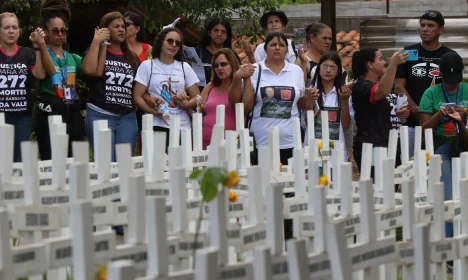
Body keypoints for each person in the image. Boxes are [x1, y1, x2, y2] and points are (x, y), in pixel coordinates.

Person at [229, 32, 305, 241]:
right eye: (273, 44)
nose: (278, 48)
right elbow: (244, 105)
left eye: (282, 44)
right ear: (265, 49)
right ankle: (266, 237)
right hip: (262, 142)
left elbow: (301, 103)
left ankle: (289, 238)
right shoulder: (256, 70)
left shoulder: (296, 71)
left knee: (289, 193)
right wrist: (239, 80)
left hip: (290, 141)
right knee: (265, 192)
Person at [419, 51, 468, 238]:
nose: (451, 84)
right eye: (448, 79)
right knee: (448, 194)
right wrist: (439, 114)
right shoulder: (431, 93)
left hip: (464, 142)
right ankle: (447, 244)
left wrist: (461, 120)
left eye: (455, 79)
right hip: (441, 143)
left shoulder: (467, 90)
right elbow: (423, 129)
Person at [82, 11, 140, 162]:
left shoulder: (131, 57)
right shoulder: (98, 50)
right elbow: (89, 70)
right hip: (100, 114)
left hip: (127, 117)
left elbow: (137, 86)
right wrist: (96, 42)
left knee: (124, 165)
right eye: (116, 27)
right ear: (106, 30)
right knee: (106, 166)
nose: (121, 29)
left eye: (123, 26)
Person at [395, 10, 454, 158]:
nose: (425, 29)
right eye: (422, 25)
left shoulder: (449, 56)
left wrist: (433, 114)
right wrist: (417, 109)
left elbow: (454, 88)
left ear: (441, 30)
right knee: (408, 168)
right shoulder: (409, 53)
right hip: (411, 124)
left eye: (430, 25)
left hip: (440, 124)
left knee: (439, 167)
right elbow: (398, 86)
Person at [133, 27, 200, 150]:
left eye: (177, 43)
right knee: (157, 166)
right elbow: (137, 96)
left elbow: (197, 97)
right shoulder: (148, 66)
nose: (174, 45)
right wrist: (153, 112)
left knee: (182, 167)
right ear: (160, 41)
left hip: (182, 125)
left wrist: (186, 102)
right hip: (156, 123)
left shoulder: (184, 67)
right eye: (170, 41)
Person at [36, 0, 86, 161]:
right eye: (55, 31)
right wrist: (41, 44)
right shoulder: (40, 54)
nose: (60, 35)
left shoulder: (73, 58)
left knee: (75, 158)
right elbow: (46, 72)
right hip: (51, 109)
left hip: (71, 107)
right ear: (46, 32)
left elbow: (90, 70)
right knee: (51, 158)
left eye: (63, 31)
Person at [0, 12, 51, 162]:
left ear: (19, 31)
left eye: (14, 27)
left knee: (20, 160)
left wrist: (37, 47)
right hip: (0, 116)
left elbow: (40, 74)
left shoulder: (27, 53)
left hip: (22, 115)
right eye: (6, 27)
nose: (11, 31)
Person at [351, 48, 409, 177]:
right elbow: (382, 92)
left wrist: (402, 113)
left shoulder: (378, 84)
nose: (384, 62)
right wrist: (393, 64)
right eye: (381, 59)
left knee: (389, 188)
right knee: (375, 187)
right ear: (370, 64)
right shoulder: (361, 86)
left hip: (386, 143)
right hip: (370, 147)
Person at [303, 53, 353, 161]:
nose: (328, 70)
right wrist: (309, 101)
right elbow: (308, 123)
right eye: (325, 66)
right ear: (318, 68)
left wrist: (344, 101)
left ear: (338, 71)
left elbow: (345, 124)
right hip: (313, 149)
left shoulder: (343, 94)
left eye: (333, 67)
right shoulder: (311, 91)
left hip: (336, 151)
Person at [123, 11, 153, 155]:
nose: (123, 27)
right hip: (124, 97)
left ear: (137, 29)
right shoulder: (119, 49)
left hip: (145, 97)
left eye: (127, 24)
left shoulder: (148, 49)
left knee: (145, 137)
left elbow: (153, 74)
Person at [200, 48, 240, 149]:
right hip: (205, 142)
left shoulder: (241, 86)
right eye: (216, 65)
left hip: (230, 144)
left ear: (232, 64)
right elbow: (199, 107)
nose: (219, 68)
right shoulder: (210, 86)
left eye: (223, 64)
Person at [196, 18, 237, 88]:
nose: (219, 34)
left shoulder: (232, 55)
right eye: (216, 30)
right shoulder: (197, 52)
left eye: (223, 32)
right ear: (209, 33)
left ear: (227, 36)